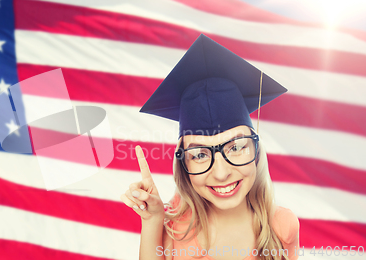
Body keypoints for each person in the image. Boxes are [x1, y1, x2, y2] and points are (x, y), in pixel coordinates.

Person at [120, 34, 299, 260]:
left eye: (236, 147)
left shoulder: (282, 227)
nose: (222, 173)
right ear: (184, 165)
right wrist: (152, 220)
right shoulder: (175, 228)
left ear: (256, 151)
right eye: (200, 154)